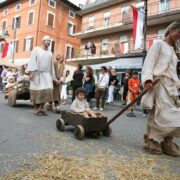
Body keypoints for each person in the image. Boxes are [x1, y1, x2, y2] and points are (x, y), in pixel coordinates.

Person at [141, 21, 180, 156]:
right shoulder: (158, 44)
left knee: (175, 115)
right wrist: (147, 79)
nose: (179, 36)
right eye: (178, 33)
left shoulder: (175, 51)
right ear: (171, 30)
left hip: (172, 87)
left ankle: (167, 141)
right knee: (159, 113)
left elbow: (173, 70)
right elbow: (149, 62)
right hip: (159, 83)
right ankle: (152, 140)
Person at [26, 35, 55, 116]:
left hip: (46, 75)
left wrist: (52, 76)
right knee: (36, 93)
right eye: (47, 41)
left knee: (46, 92)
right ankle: (36, 109)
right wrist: (31, 73)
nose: (48, 42)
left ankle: (42, 108)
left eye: (49, 41)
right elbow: (32, 61)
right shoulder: (36, 49)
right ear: (42, 41)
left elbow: (51, 65)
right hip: (37, 73)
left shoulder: (50, 53)